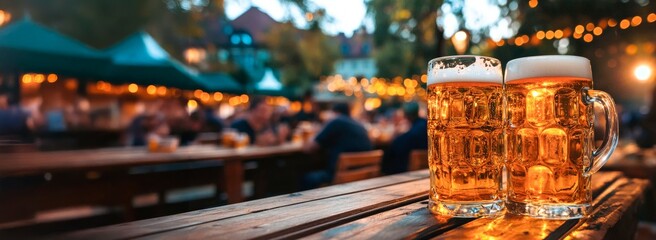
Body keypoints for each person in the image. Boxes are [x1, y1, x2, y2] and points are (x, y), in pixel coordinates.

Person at [302, 103, 373, 189]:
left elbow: (309, 148)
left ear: (335, 113)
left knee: (306, 178)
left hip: (340, 178)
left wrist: (316, 131)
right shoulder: (360, 125)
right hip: (363, 178)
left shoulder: (336, 121)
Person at [381, 102, 428, 175]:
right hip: (424, 170)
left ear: (405, 115)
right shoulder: (424, 125)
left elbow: (394, 147)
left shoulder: (411, 135)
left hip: (407, 173)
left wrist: (395, 135)